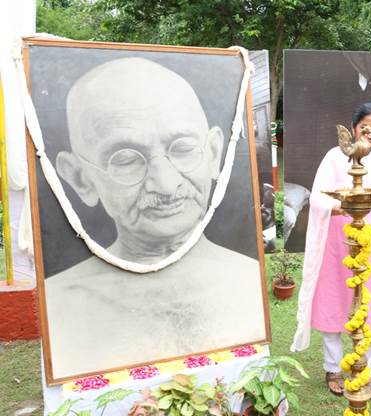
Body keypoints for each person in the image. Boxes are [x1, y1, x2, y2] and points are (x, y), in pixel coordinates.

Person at [45, 57, 266, 380]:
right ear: (80, 178)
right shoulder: (62, 305)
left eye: (182, 148)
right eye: (126, 159)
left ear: (214, 154)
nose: (166, 184)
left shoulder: (250, 282)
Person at [291, 103, 371, 400]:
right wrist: (346, 207)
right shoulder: (334, 158)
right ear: (352, 129)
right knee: (334, 302)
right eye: (365, 127)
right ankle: (333, 368)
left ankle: (367, 371)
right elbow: (319, 200)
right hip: (336, 245)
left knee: (370, 308)